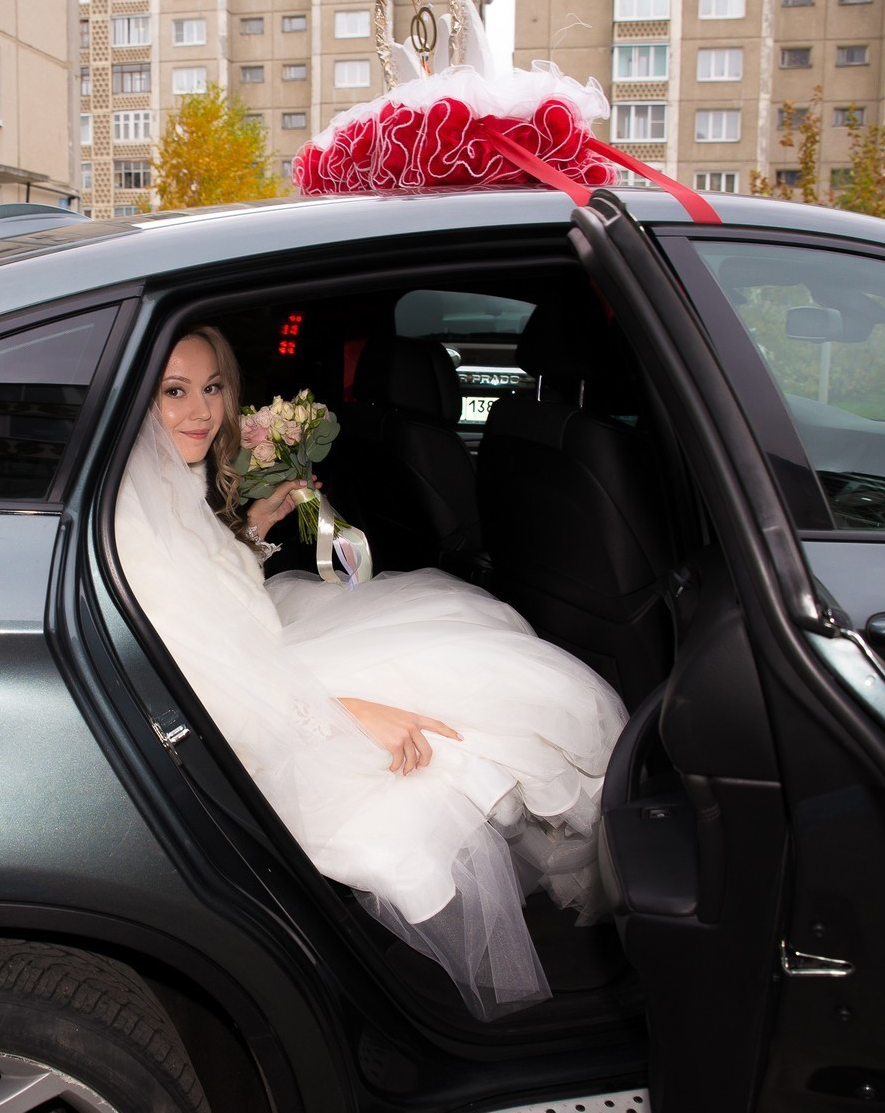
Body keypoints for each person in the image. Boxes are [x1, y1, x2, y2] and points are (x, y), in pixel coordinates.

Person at [115, 328, 627, 1018]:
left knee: (475, 645)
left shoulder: (169, 481)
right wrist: (348, 714)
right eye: (174, 393)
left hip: (264, 654)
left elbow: (211, 601)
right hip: (251, 714)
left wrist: (254, 531)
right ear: (135, 403)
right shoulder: (133, 521)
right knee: (471, 722)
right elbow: (197, 681)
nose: (200, 412)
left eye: (212, 388)